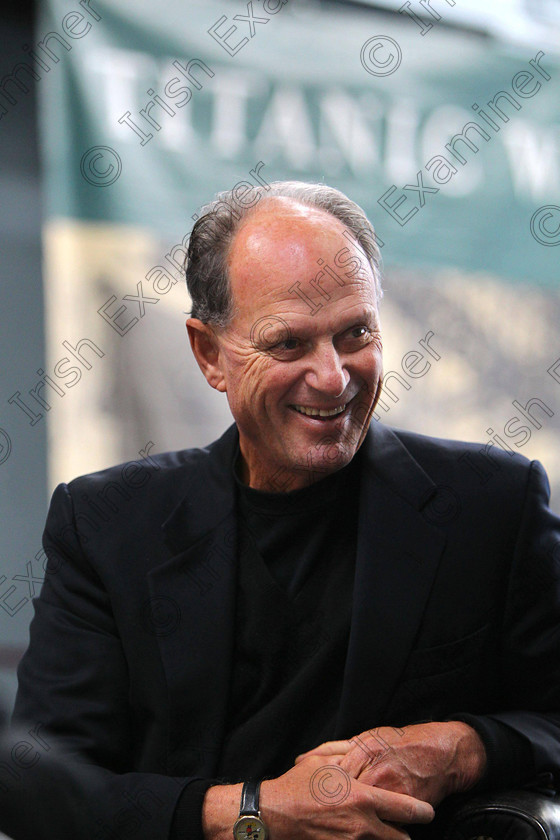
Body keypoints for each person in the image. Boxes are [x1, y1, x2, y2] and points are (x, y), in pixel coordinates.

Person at [8, 181, 560, 840]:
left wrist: (466, 748)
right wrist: (253, 813)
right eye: (289, 344)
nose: (333, 377)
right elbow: (39, 786)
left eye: (355, 332)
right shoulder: (107, 525)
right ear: (209, 353)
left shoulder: (492, 507)